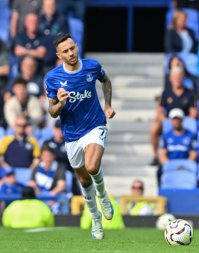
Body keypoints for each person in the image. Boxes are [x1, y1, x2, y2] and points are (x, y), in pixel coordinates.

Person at [44, 33, 116, 239]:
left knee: (92, 166)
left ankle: (103, 196)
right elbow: (52, 111)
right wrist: (60, 103)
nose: (71, 53)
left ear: (76, 47)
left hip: (94, 125)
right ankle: (95, 219)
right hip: (71, 134)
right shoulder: (53, 78)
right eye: (65, 51)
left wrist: (108, 105)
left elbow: (106, 81)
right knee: (84, 181)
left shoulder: (92, 66)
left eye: (72, 48)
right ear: (59, 55)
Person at [150, 67, 197, 166]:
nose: (177, 79)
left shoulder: (190, 93)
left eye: (179, 77)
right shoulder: (166, 92)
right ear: (170, 79)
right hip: (169, 120)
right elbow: (160, 111)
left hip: (184, 121)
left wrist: (183, 122)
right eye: (174, 77)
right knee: (154, 127)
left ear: (183, 78)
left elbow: (193, 113)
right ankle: (155, 156)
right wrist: (167, 122)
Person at [29, 147, 67, 213]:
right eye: (44, 156)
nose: (47, 158)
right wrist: (37, 192)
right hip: (39, 194)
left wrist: (50, 195)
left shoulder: (59, 168)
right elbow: (31, 183)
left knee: (64, 198)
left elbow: (61, 185)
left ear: (53, 156)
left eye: (49, 155)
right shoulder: (37, 168)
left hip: (54, 194)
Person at [39, 0, 70, 71]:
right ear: (43, 7)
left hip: (55, 59)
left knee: (63, 65)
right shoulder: (37, 20)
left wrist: (62, 57)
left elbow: (66, 41)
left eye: (52, 5)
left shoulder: (62, 20)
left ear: (56, 6)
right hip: (38, 60)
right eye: (48, 6)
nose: (50, 8)